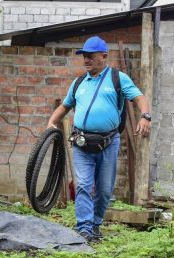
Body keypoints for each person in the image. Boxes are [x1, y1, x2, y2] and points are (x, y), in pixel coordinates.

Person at [47, 36, 151, 243]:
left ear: (103, 56)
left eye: (90, 56)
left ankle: (95, 225)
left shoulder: (118, 78)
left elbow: (139, 98)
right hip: (81, 142)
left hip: (108, 143)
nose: (86, 60)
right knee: (84, 185)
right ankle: (84, 228)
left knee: (104, 190)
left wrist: (145, 116)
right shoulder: (79, 83)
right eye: (84, 56)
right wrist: (51, 122)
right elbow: (65, 106)